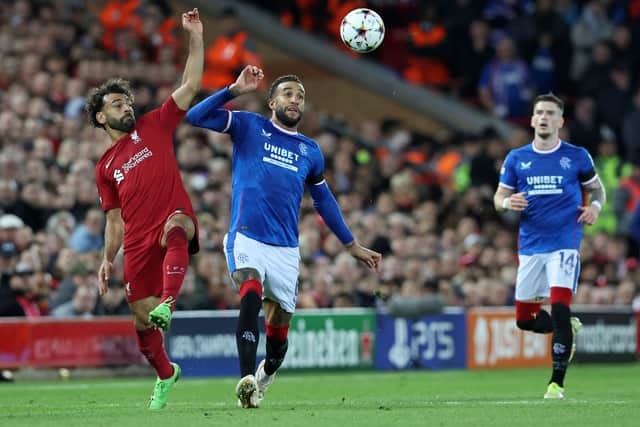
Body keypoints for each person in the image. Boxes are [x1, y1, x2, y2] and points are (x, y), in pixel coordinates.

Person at [186, 65, 381, 408]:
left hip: (286, 249)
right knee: (249, 289)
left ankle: (265, 373)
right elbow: (195, 116)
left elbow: (324, 200)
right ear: (272, 102)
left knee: (278, 341)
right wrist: (233, 89)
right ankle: (246, 379)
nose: (295, 99)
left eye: (300, 96)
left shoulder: (310, 150)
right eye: (288, 93)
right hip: (246, 236)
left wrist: (351, 244)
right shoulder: (249, 125)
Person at [85, 8, 203, 410]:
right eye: (117, 104)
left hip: (170, 217)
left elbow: (191, 83)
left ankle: (169, 301)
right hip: (135, 238)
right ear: (102, 117)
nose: (126, 107)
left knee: (179, 227)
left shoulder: (154, 124)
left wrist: (195, 36)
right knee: (140, 318)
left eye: (127, 100)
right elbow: (114, 220)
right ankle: (166, 373)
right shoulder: (105, 168)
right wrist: (106, 259)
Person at [493, 93, 606, 399]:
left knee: (557, 306)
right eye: (539, 112)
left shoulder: (577, 155)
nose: (543, 117)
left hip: (564, 244)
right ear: (532, 120)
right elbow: (498, 198)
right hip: (530, 246)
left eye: (550, 113)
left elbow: (597, 190)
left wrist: (595, 207)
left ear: (560, 121)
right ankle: (566, 326)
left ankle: (556, 383)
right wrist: (506, 202)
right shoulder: (517, 158)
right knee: (524, 320)